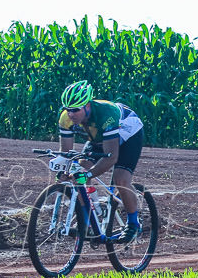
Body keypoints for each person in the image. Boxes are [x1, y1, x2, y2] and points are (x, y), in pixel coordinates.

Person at [57, 80, 145, 241]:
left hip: (128, 136)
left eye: (75, 110)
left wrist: (87, 175)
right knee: (77, 172)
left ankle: (133, 223)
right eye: (68, 110)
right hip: (98, 138)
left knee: (120, 179)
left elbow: (111, 158)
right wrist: (64, 171)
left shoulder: (106, 114)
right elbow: (67, 153)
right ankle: (88, 224)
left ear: (87, 106)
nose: (71, 114)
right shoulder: (66, 119)